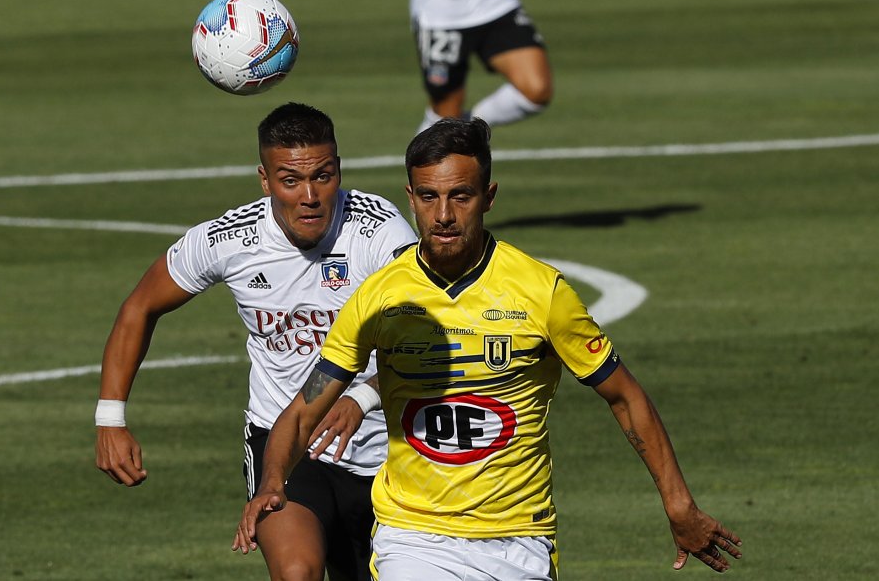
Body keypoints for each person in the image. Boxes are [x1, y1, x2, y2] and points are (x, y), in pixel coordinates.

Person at [236, 118, 743, 579]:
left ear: (489, 196)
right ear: (410, 197)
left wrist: (678, 504)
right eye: (429, 197)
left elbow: (624, 397)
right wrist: (273, 482)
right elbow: (304, 411)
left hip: (519, 540)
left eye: (461, 196)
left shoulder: (541, 292)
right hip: (413, 539)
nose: (443, 215)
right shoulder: (379, 297)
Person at [94, 102, 417, 581]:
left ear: (339, 170)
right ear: (265, 181)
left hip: (389, 447)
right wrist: (110, 419)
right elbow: (139, 307)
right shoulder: (229, 239)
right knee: (297, 572)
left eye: (323, 176)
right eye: (290, 181)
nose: (310, 196)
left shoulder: (379, 231)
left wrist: (363, 396)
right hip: (286, 443)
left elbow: (422, 338)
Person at [411, 0, 553, 133]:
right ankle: (435, 143)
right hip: (443, 11)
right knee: (446, 117)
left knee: (536, 90)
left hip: (497, 2)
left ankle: (471, 127)